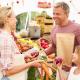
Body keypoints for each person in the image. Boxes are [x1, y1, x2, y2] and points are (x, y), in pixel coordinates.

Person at [0, 6, 42, 80]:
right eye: (14, 17)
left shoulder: (6, 36)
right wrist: (31, 64)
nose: (16, 20)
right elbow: (7, 71)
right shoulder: (6, 40)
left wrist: (23, 56)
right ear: (7, 19)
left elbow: (10, 59)